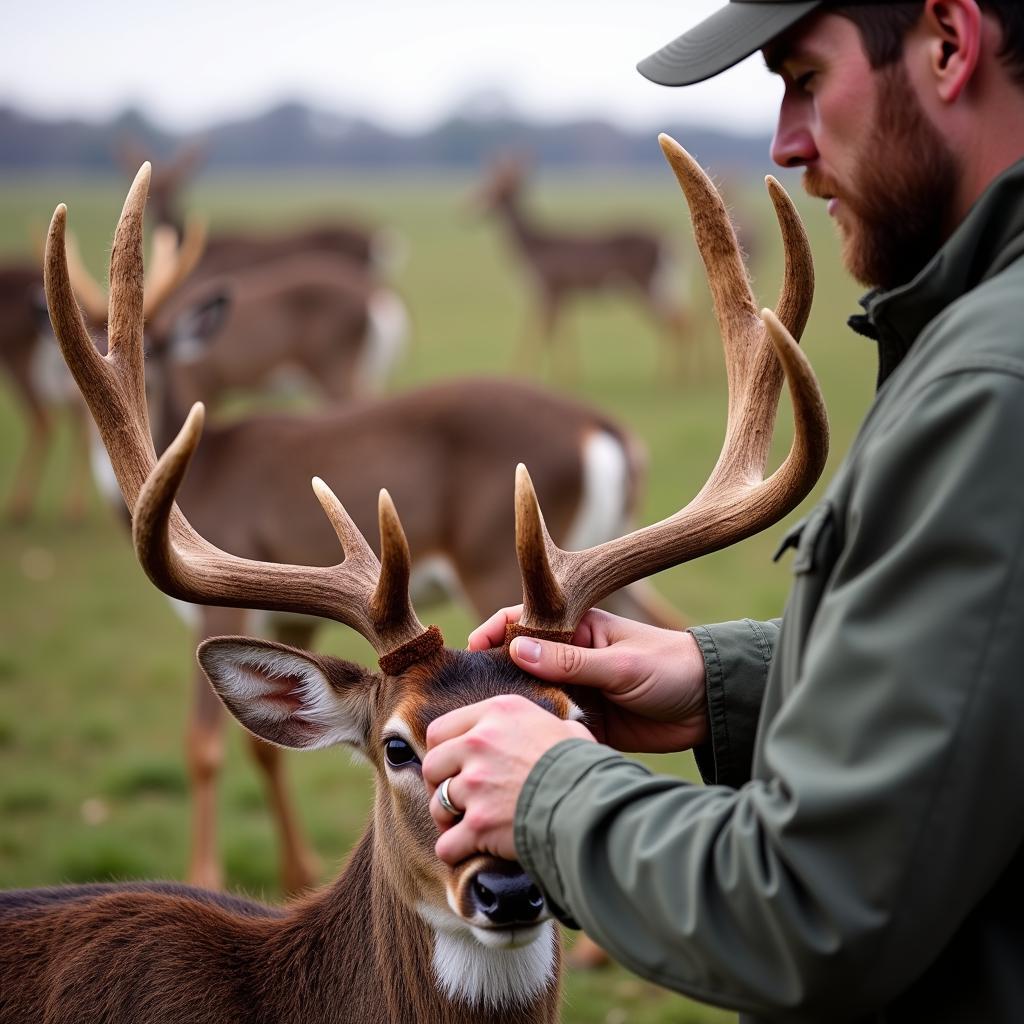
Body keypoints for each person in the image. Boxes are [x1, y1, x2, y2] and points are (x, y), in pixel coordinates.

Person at [422, 1, 1024, 1020]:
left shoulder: (990, 384)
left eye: (801, 77)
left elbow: (817, 910)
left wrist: (550, 788)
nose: (785, 148)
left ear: (948, 42)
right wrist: (724, 681)